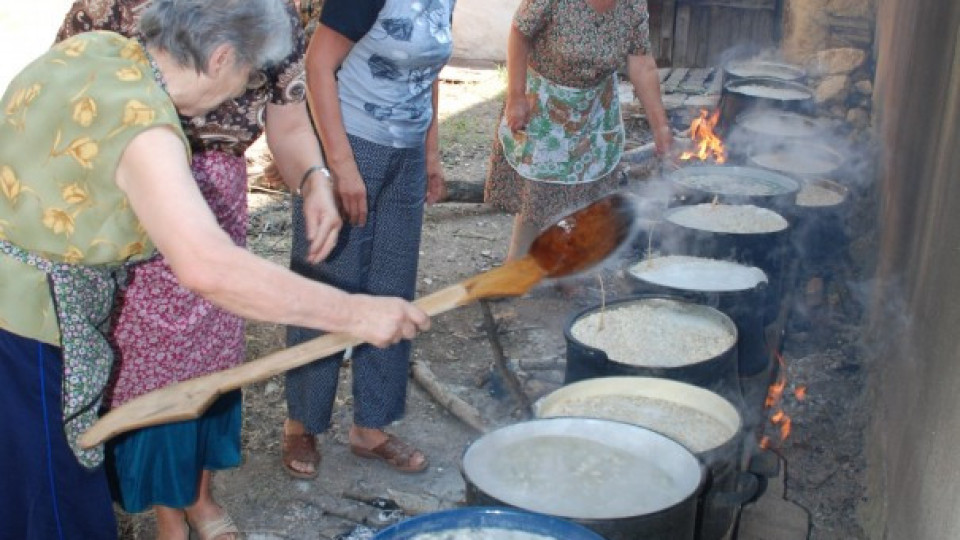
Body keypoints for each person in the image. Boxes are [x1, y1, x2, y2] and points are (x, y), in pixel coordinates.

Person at [0, 1, 429, 539]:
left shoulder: (101, 53)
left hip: (24, 309)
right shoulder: (145, 127)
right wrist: (357, 314)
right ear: (221, 57)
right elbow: (210, 268)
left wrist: (314, 175)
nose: (246, 90)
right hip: (31, 330)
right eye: (248, 75)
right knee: (53, 509)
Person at [54, 0, 338, 538]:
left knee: (213, 358)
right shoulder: (110, 7)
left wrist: (314, 178)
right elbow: (66, 98)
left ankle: (200, 497)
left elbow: (290, 120)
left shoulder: (272, 11)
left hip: (222, 194)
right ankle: (168, 513)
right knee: (154, 363)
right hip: (134, 196)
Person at [280, 0, 454, 480]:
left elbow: (428, 71)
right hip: (352, 142)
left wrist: (432, 153)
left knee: (392, 289)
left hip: (407, 154)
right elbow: (318, 65)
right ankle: (302, 423)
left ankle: (371, 427)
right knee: (327, 283)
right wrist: (341, 166)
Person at [485, 0, 673, 262]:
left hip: (594, 108)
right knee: (538, 192)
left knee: (587, 194)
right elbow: (520, 33)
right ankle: (516, 265)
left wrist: (660, 127)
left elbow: (642, 64)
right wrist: (516, 95)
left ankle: (567, 267)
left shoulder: (633, 4)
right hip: (547, 103)